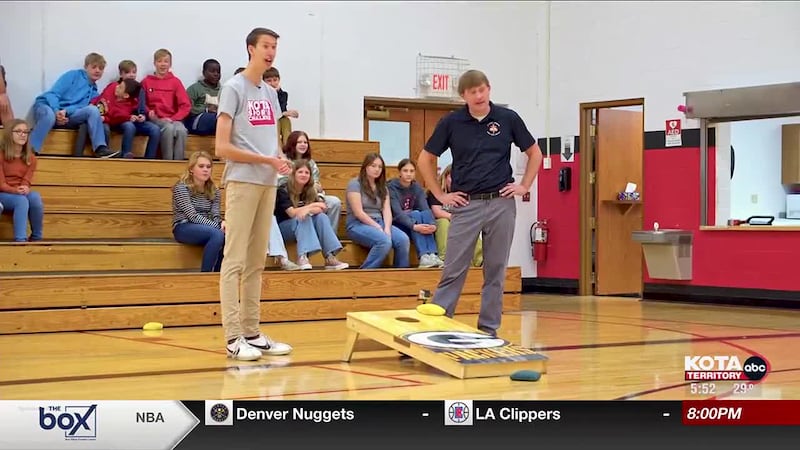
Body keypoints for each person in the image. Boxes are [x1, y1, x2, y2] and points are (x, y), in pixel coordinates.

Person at [417, 69, 542, 337]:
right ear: (463, 96)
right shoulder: (452, 122)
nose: (478, 96)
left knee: (495, 270)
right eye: (472, 92)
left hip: (501, 203)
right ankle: (438, 325)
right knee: (453, 268)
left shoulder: (507, 119)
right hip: (466, 204)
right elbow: (425, 158)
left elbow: (535, 153)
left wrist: (524, 186)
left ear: (489, 89)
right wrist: (440, 195)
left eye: (482, 90)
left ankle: (488, 330)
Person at [215, 27, 293, 361]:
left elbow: (271, 138)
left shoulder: (271, 94)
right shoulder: (233, 88)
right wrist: (265, 159)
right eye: (265, 46)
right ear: (250, 49)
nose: (271, 51)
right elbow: (221, 147)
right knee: (234, 260)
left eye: (274, 46)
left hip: (267, 183)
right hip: (242, 180)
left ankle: (252, 331)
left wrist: (280, 158)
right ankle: (233, 337)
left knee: (257, 261)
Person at [29, 53, 118, 158]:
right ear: (86, 67)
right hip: (48, 107)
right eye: (94, 67)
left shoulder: (94, 92)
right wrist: (56, 110)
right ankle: (31, 150)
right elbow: (53, 94)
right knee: (49, 116)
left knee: (93, 110)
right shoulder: (73, 76)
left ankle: (100, 148)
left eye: (101, 68)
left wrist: (65, 112)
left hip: (66, 116)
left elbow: (79, 108)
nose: (97, 70)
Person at [275, 159, 349, 270]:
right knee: (303, 218)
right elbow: (291, 213)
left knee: (321, 217)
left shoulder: (310, 190)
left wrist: (307, 210)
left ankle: (329, 257)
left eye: (307, 173)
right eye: (300, 172)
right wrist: (309, 208)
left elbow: (322, 207)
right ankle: (302, 256)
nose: (304, 175)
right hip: (284, 229)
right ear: (293, 174)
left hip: (303, 225)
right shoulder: (283, 190)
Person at [345, 152, 410, 269]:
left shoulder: (383, 187)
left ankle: (401, 274)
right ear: (366, 167)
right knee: (384, 241)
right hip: (358, 224)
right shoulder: (354, 184)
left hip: (380, 221)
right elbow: (358, 213)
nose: (377, 169)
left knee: (403, 239)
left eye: (380, 167)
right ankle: (365, 274)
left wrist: (387, 228)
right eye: (373, 166)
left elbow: (387, 211)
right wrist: (378, 227)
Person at [172, 151, 225, 272]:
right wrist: (218, 226)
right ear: (191, 169)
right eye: (201, 166)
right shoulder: (181, 187)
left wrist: (221, 223)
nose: (205, 170)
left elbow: (215, 215)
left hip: (207, 228)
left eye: (208, 167)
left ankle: (218, 274)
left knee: (228, 235)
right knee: (218, 234)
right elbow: (193, 216)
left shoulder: (214, 190)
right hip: (184, 226)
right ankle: (205, 275)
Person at [280, 130, 342, 231]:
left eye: (305, 142)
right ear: (292, 143)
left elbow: (317, 186)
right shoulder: (284, 161)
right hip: (290, 197)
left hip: (309, 195)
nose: (303, 145)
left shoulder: (311, 163)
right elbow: (281, 183)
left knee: (334, 202)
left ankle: (329, 236)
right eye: (299, 142)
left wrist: (317, 194)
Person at [387, 158, 443, 268]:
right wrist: (414, 226)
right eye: (405, 171)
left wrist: (432, 224)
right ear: (399, 172)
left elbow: (425, 208)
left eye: (412, 171)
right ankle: (423, 256)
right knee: (416, 214)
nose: (408, 174)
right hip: (398, 224)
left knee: (422, 213)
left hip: (415, 223)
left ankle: (432, 255)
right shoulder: (391, 188)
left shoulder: (416, 187)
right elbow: (397, 214)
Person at [428, 164, 483, 267]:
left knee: (470, 225)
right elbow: (437, 211)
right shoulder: (437, 191)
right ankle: (444, 258)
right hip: (439, 222)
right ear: (445, 177)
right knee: (443, 222)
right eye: (452, 177)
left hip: (457, 221)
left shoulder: (463, 194)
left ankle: (480, 259)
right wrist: (454, 218)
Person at [141, 48, 191, 160]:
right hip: (156, 119)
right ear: (154, 63)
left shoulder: (175, 82)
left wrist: (174, 118)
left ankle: (178, 163)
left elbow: (185, 105)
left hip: (173, 119)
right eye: (159, 61)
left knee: (181, 130)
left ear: (170, 64)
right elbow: (141, 102)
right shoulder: (146, 82)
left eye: (166, 61)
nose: (163, 64)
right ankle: (167, 162)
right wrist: (149, 112)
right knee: (168, 129)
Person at [0, 119, 44, 242]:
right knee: (21, 201)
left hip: (18, 191)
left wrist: (25, 187)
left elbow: (26, 180)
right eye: (18, 131)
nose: (23, 134)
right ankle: (20, 240)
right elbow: (1, 184)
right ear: (10, 134)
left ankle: (37, 236)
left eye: (25, 132)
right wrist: (15, 191)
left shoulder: (31, 158)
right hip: (3, 193)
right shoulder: (1, 155)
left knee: (35, 197)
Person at [185, 59, 221, 136]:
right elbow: (186, 108)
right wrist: (207, 109)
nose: (216, 74)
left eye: (218, 72)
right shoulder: (194, 88)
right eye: (212, 71)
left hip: (217, 120)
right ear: (204, 73)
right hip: (198, 121)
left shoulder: (224, 90)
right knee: (218, 119)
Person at [262, 67, 298, 145]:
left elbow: (282, 107)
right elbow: (269, 110)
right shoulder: (261, 94)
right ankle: (278, 149)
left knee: (286, 121)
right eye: (269, 81)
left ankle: (287, 147)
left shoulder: (283, 94)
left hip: (280, 117)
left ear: (279, 80)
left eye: (275, 80)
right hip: (269, 119)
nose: (272, 83)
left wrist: (277, 93)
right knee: (276, 122)